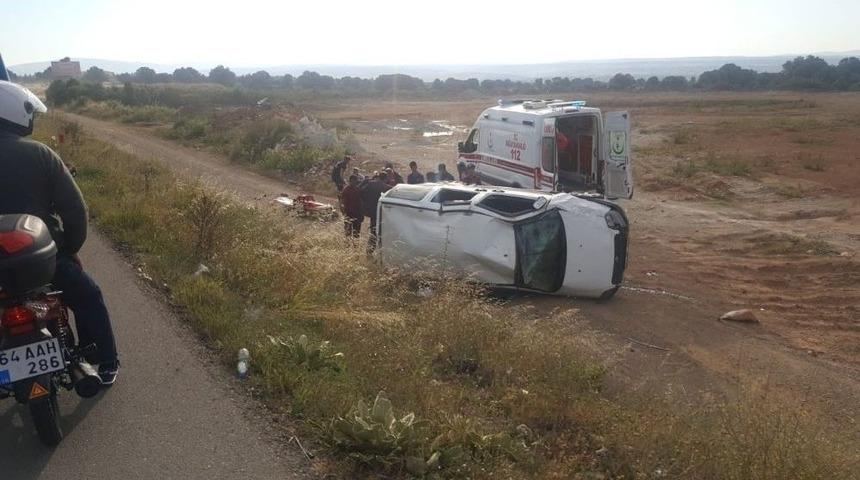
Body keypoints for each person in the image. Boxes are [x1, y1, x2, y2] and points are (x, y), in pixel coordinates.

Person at [0, 80, 119, 385]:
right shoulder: (40, 154)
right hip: (42, 263)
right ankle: (103, 363)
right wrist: (69, 250)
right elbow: (75, 210)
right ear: (15, 112)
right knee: (89, 297)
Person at [359, 171, 391, 253]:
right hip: (382, 213)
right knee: (380, 233)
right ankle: (373, 252)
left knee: (373, 232)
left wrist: (366, 204)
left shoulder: (370, 184)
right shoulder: (386, 187)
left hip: (371, 211)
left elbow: (361, 191)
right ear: (386, 178)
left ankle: (370, 251)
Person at [340, 174, 363, 241]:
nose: (354, 182)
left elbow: (361, 202)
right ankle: (347, 247)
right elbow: (342, 202)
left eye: (355, 181)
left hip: (357, 214)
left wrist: (362, 214)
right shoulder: (346, 190)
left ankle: (355, 247)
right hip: (349, 213)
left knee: (356, 233)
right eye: (353, 181)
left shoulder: (358, 189)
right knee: (348, 232)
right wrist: (344, 213)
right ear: (350, 181)